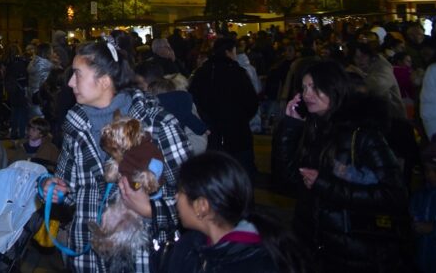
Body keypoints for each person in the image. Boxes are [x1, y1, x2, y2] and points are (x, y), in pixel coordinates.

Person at [42, 39, 191, 273]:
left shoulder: (158, 125)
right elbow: (68, 188)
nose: (70, 83)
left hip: (142, 259)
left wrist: (151, 211)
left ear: (104, 81)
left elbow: (193, 200)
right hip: (88, 259)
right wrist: (53, 189)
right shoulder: (76, 126)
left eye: (77, 74)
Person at [272, 60, 409, 271]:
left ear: (334, 87)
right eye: (304, 88)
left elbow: (394, 195)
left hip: (355, 249)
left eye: (315, 87)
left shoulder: (363, 134)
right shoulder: (313, 127)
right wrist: (290, 127)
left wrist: (324, 184)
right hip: (314, 245)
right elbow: (288, 180)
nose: (307, 94)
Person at [161, 151, 305, 273]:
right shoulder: (191, 245)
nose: (176, 197)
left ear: (202, 206)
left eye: (180, 191)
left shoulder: (256, 263)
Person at [188, 39, 258, 174]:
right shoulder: (238, 72)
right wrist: (242, 118)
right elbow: (251, 101)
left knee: (216, 172)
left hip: (211, 132)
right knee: (242, 170)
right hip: (237, 131)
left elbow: (194, 100)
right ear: (228, 52)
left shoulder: (202, 72)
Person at [411, 133, 436, 273]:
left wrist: (433, 229)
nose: (430, 175)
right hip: (423, 263)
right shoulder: (421, 195)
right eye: (427, 170)